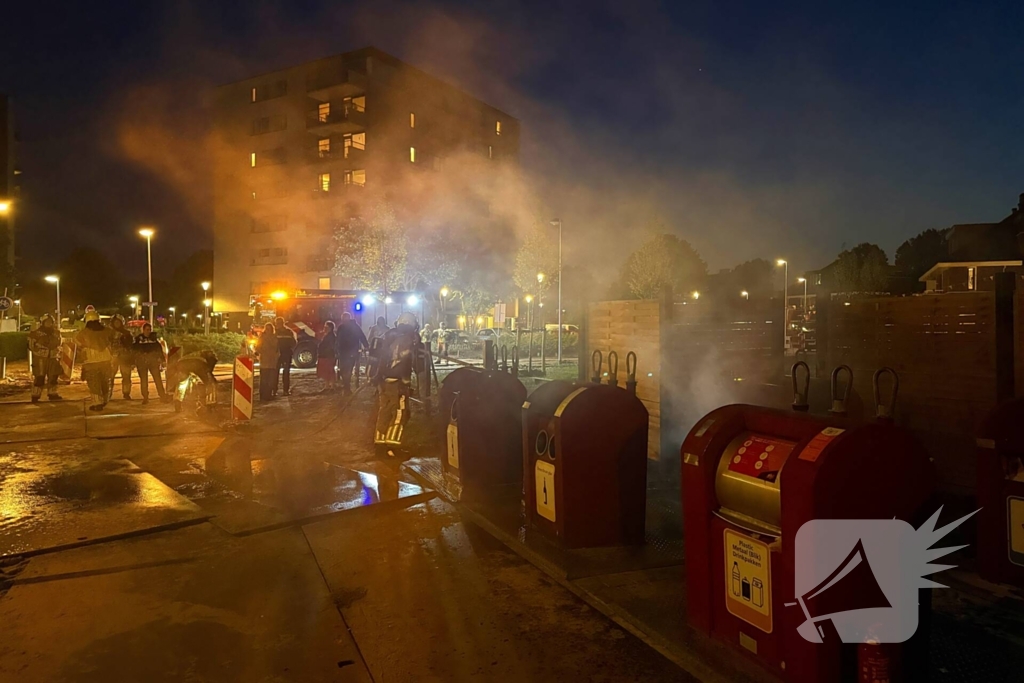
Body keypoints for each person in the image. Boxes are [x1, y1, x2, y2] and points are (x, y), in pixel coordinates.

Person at [372, 311, 422, 457]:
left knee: (384, 411)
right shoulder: (410, 338)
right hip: (398, 383)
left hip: (383, 381)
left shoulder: (388, 335)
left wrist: (377, 376)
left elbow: (381, 358)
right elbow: (412, 361)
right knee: (400, 414)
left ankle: (380, 445)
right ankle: (393, 447)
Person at [75, 310, 113, 411]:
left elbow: (78, 345)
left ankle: (97, 403)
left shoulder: (83, 333)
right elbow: (114, 341)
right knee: (105, 381)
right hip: (106, 360)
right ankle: (105, 400)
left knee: (94, 383)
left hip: (90, 361)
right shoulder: (108, 331)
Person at [27, 314, 63, 403]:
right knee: (40, 377)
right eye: (47, 322)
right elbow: (30, 345)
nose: (49, 324)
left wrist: (57, 351)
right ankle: (35, 395)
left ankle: (52, 393)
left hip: (53, 357)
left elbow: (60, 343)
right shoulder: (35, 333)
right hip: (40, 359)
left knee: (53, 376)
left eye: (50, 322)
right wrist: (40, 351)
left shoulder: (56, 333)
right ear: (42, 323)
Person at [133, 323, 168, 405]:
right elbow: (134, 350)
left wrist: (162, 360)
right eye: (147, 329)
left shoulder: (154, 338)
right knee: (144, 381)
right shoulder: (138, 339)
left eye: (150, 329)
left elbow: (158, 349)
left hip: (153, 362)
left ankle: (162, 396)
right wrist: (134, 361)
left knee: (158, 379)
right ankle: (145, 397)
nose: (148, 331)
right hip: (142, 363)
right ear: (143, 330)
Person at [335, 311, 368, 395]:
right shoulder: (341, 327)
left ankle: (347, 387)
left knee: (348, 369)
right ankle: (346, 386)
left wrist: (366, 346)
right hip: (343, 352)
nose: (343, 320)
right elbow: (337, 340)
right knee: (343, 370)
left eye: (344, 318)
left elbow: (361, 336)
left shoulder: (354, 327)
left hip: (351, 352)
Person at [108, 314, 135, 400]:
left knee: (126, 376)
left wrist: (132, 360)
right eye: (115, 322)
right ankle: (108, 394)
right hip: (112, 357)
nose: (116, 324)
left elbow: (131, 346)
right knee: (110, 377)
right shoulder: (109, 333)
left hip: (124, 357)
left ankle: (126, 393)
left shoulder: (127, 333)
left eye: (118, 322)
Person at [255, 322, 279, 402]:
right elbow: (258, 348)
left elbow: (277, 349)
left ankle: (268, 395)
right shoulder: (262, 337)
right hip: (265, 362)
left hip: (271, 362)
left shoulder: (274, 337)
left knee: (270, 380)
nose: (269, 330)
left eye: (270, 329)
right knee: (264, 380)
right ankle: (263, 396)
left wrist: (276, 356)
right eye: (267, 329)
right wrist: (264, 352)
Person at [274, 317, 297, 396]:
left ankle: (276, 391)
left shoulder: (275, 333)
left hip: (279, 354)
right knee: (283, 373)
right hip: (285, 354)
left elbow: (293, 343)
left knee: (277, 373)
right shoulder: (288, 332)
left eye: (278, 323)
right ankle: (284, 391)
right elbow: (294, 343)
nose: (277, 325)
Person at [317, 321, 338, 392]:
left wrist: (327, 353)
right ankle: (327, 385)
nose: (324, 328)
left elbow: (331, 347)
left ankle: (332, 386)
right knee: (326, 371)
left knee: (330, 371)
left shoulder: (331, 336)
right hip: (325, 355)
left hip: (328, 356)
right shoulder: (327, 335)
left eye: (326, 327)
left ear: (330, 328)